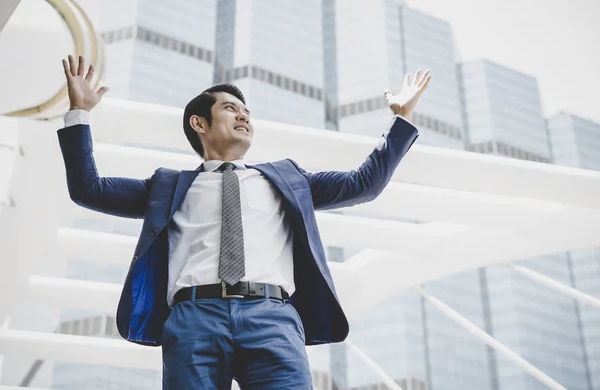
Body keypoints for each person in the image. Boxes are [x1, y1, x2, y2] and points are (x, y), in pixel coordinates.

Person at [58, 54, 431, 389]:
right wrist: (80, 113)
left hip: (272, 317)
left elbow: (363, 184)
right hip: (194, 319)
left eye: (247, 113)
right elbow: (88, 189)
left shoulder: (287, 179)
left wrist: (401, 119)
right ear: (199, 123)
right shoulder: (167, 187)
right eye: (231, 109)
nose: (244, 116)